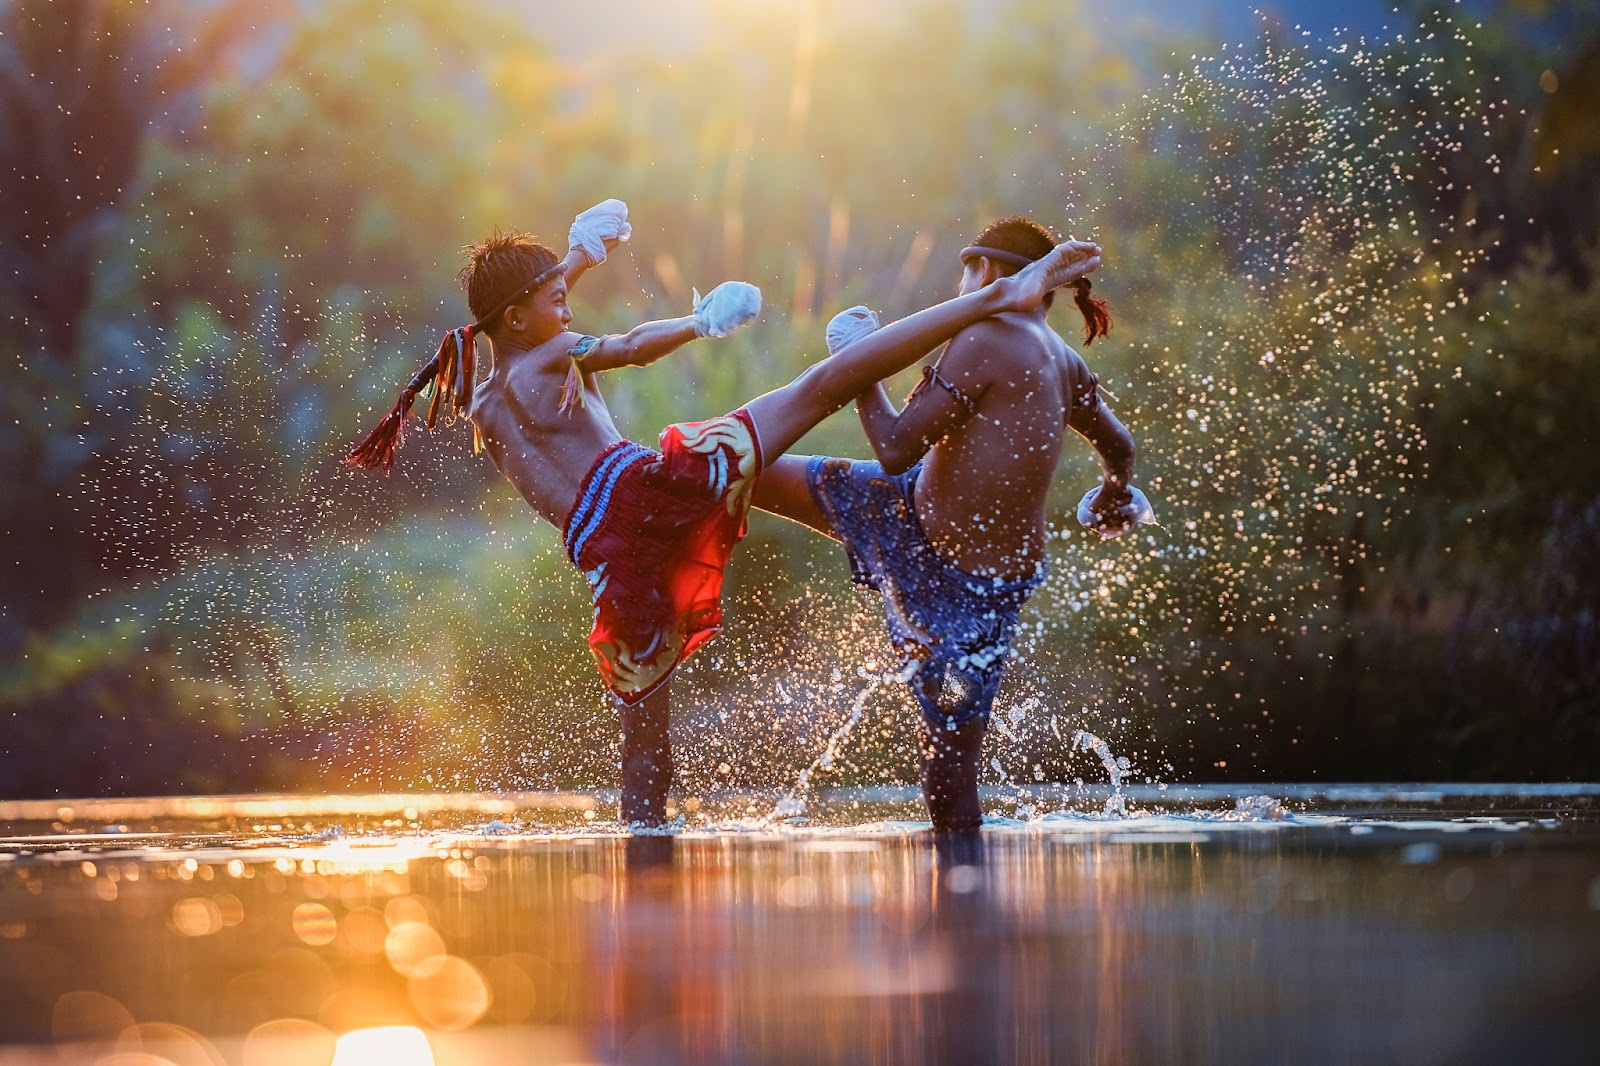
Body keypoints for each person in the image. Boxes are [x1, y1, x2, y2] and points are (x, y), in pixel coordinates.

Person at [347, 208, 1103, 825]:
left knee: (643, 743)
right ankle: (994, 298)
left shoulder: (484, 401)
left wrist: (576, 260)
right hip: (651, 491)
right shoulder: (550, 356)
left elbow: (520, 323)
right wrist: (697, 323)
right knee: (826, 384)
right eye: (556, 298)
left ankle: (644, 845)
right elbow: (630, 347)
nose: (567, 304)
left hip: (612, 557)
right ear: (518, 317)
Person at [750, 216, 1146, 831]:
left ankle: (960, 903)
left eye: (965, 270)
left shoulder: (985, 335)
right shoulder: (1064, 360)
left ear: (984, 271)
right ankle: (962, 899)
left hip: (954, 579)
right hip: (940, 539)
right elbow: (1119, 448)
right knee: (953, 763)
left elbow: (893, 446)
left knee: (951, 762)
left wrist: (859, 369)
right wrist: (1114, 494)